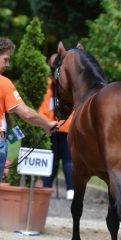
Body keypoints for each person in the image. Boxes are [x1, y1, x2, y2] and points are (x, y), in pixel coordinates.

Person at [0, 37, 58, 182]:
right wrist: (47, 124)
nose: (8, 64)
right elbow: (26, 113)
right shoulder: (4, 83)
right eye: (5, 59)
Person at [38, 54, 74, 200]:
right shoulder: (63, 85)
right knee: (58, 159)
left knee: (64, 160)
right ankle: (52, 186)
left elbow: (43, 107)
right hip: (58, 127)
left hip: (59, 127)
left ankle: (66, 188)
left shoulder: (56, 85)